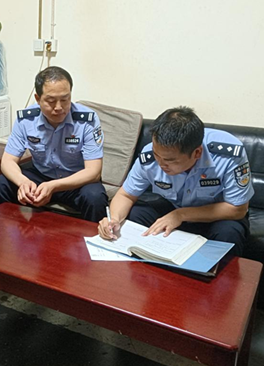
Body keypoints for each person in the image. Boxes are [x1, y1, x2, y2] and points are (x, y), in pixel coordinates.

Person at [98, 106, 253, 256]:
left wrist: (181, 215)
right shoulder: (149, 156)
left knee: (229, 231)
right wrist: (114, 219)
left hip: (215, 216)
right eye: (156, 154)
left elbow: (237, 209)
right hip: (173, 208)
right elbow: (126, 195)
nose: (160, 163)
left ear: (197, 153)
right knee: (134, 214)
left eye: (169, 160)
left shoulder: (227, 155)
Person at [0, 66, 108, 222]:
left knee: (95, 196)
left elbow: (93, 172)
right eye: (51, 101)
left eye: (65, 99)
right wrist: (23, 182)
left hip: (75, 181)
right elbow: (7, 161)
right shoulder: (26, 120)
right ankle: (4, 233)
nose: (59, 107)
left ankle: (93, 238)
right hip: (40, 176)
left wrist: (53, 186)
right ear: (38, 99)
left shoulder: (87, 121)